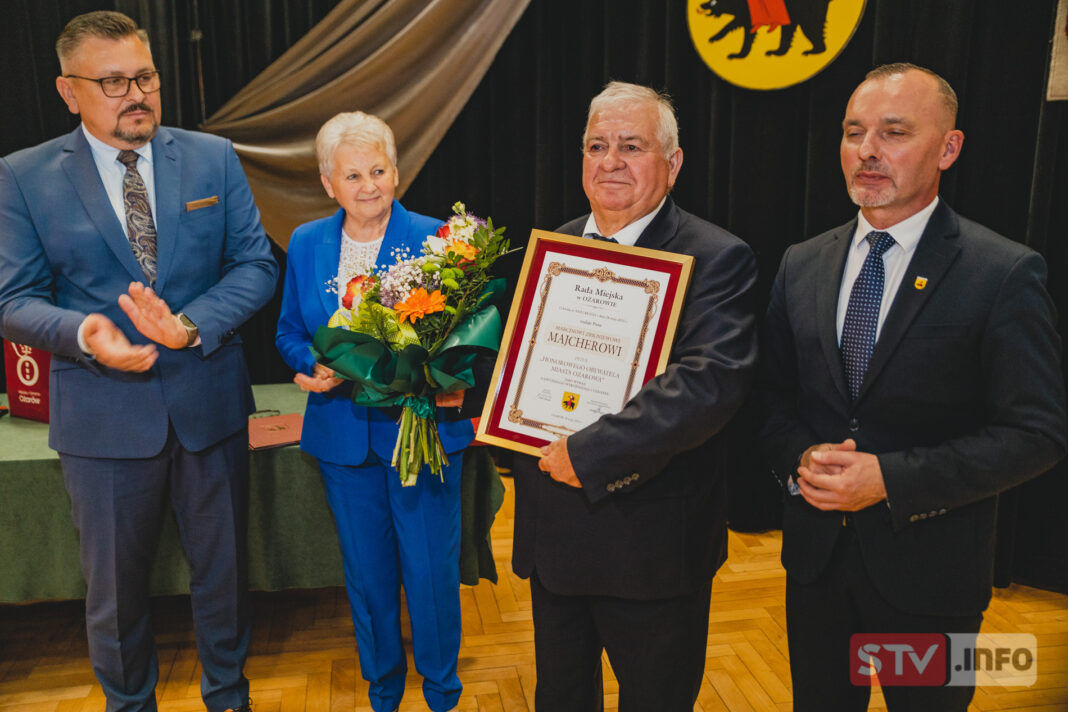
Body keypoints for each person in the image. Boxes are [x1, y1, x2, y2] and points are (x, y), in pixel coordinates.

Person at [757, 63, 1067, 711]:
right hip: (815, 568)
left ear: (948, 149)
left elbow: (1036, 433)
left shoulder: (1003, 273)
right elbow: (773, 401)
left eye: (893, 132)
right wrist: (800, 460)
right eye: (853, 132)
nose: (867, 150)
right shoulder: (801, 263)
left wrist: (891, 479)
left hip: (932, 577)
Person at [0, 10, 278, 712]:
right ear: (70, 91)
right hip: (101, 419)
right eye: (113, 80)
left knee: (223, 581)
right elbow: (14, 298)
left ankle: (229, 697)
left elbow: (254, 265)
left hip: (208, 405)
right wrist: (83, 333)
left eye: (145, 76)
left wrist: (190, 326)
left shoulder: (212, 156)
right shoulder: (24, 177)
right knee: (115, 598)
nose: (137, 94)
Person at [510, 81, 759, 711]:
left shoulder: (718, 257)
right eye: (597, 145)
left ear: (672, 165)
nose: (610, 161)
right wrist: (481, 394)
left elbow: (707, 385)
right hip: (555, 540)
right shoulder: (554, 249)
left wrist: (589, 453)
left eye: (631, 145)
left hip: (652, 547)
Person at [275, 111, 479, 712]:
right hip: (342, 438)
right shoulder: (309, 242)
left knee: (430, 575)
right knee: (367, 580)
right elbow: (289, 330)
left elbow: (466, 338)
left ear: (397, 171)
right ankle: (383, 691)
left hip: (421, 433)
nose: (368, 186)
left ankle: (443, 692)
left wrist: (444, 374)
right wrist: (309, 363)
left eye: (379, 170)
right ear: (327, 183)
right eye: (353, 175)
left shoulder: (440, 238)